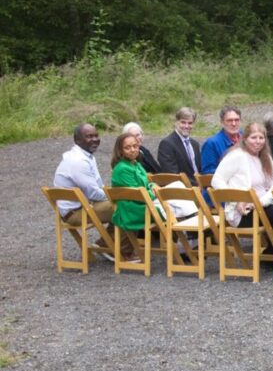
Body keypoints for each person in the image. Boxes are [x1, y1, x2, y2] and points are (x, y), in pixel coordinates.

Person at [53, 123, 119, 257]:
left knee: (125, 202)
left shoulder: (85, 156)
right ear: (77, 140)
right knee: (125, 206)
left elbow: (98, 187)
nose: (95, 139)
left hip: (83, 206)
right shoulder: (78, 161)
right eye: (89, 136)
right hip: (75, 213)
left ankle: (110, 243)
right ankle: (109, 246)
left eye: (96, 135)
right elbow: (94, 193)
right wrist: (116, 195)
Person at [211, 122, 273, 238]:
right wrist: (237, 199)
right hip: (243, 212)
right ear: (245, 139)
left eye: (261, 138)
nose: (258, 141)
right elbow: (216, 180)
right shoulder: (236, 156)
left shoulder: (266, 157)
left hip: (264, 205)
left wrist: (261, 202)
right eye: (253, 137)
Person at [110, 133, 155, 262]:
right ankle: (187, 244)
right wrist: (154, 193)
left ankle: (186, 242)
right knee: (171, 208)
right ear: (120, 150)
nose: (132, 150)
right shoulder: (122, 169)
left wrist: (152, 187)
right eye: (127, 147)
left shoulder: (136, 164)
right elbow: (139, 194)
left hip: (141, 204)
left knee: (174, 203)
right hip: (133, 208)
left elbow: (146, 185)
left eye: (135, 146)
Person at [156, 107, 201, 181]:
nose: (186, 126)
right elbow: (172, 174)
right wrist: (195, 185)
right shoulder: (167, 144)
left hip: (200, 184)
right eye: (183, 122)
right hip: (181, 186)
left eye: (190, 123)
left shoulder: (195, 144)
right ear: (176, 122)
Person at [201, 106, 243, 175]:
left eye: (237, 120)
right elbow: (207, 173)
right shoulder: (212, 143)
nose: (234, 124)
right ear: (222, 122)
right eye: (229, 120)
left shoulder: (247, 138)